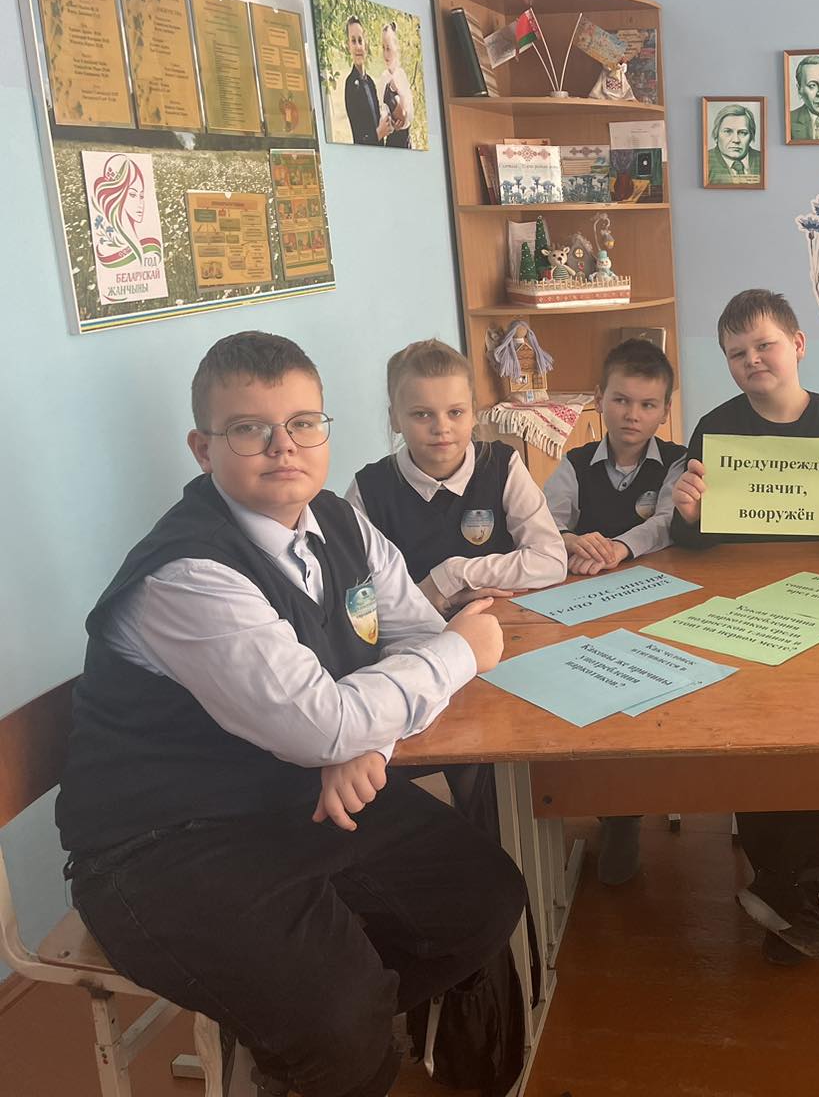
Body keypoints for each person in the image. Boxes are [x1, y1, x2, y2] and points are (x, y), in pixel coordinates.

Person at [55, 331, 525, 1097]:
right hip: (164, 844)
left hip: (295, 795)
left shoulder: (338, 520)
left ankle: (307, 1045)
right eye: (251, 429)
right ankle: (324, 1047)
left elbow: (407, 638)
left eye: (304, 423)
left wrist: (361, 739)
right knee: (340, 1021)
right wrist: (462, 653)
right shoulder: (188, 576)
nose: (285, 447)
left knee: (484, 897)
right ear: (203, 449)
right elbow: (333, 717)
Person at [670, 289, 819, 966]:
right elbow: (693, 541)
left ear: (798, 345)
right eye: (737, 353)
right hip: (741, 606)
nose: (752, 359)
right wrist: (689, 517)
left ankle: (798, 888)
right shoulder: (714, 430)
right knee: (754, 733)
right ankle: (781, 881)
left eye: (764, 345)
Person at [541, 337, 686, 885]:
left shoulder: (677, 462)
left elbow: (668, 523)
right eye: (621, 400)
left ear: (665, 410)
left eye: (647, 405)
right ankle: (613, 811)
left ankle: (633, 805)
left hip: (660, 606)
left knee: (649, 706)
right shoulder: (574, 464)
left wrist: (619, 548)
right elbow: (544, 525)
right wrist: (573, 542)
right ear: (600, 398)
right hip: (589, 606)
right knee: (595, 704)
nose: (632, 415)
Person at [347, 339, 566, 617]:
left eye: (455, 412)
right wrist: (423, 598)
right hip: (414, 633)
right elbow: (351, 596)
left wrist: (453, 574)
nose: (441, 427)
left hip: (504, 623)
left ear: (473, 413)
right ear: (395, 419)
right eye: (422, 414)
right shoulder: (368, 490)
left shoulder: (503, 465)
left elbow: (551, 560)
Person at [342, 15, 382, 146]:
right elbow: (359, 138)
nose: (358, 46)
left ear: (366, 45)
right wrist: (379, 134)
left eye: (360, 40)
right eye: (353, 41)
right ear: (348, 46)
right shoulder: (350, 85)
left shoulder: (370, 82)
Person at [376, 21, 414, 147]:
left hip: (406, 142)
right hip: (392, 142)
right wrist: (391, 123)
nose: (385, 54)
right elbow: (381, 109)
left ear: (396, 49)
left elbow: (410, 112)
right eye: (383, 48)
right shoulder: (383, 78)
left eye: (388, 49)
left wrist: (403, 122)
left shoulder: (401, 75)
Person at [706, 103, 762, 182]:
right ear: (716, 134)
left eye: (743, 133)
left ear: (751, 136)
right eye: (727, 131)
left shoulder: (763, 160)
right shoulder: (704, 161)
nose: (736, 140)